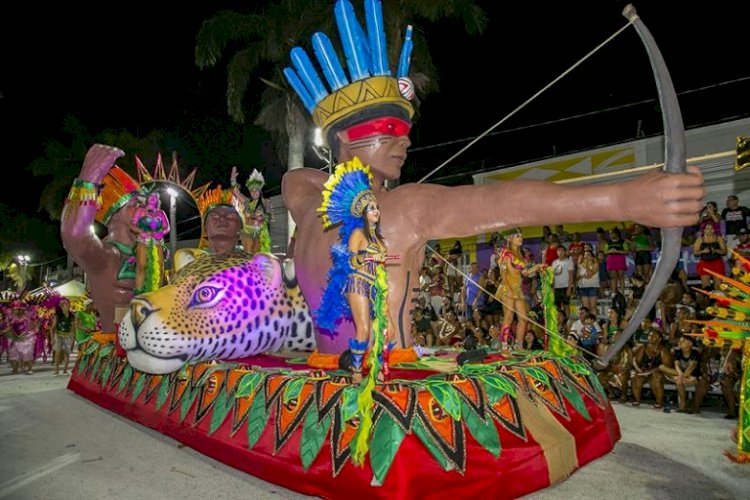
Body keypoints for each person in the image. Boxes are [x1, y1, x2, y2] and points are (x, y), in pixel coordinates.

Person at [280, 0, 705, 356]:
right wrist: (621, 200)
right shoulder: (398, 208)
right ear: (343, 138)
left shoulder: (306, 202)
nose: (405, 141)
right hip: (388, 387)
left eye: (406, 130)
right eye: (389, 128)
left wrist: (348, 167)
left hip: (324, 384)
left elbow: (299, 180)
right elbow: (503, 204)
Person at [316, 161, 398, 383]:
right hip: (358, 283)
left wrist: (385, 259)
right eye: (372, 208)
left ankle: (378, 368)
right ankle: (355, 372)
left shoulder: (378, 239)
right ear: (363, 212)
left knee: (389, 330)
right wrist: (369, 257)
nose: (376, 211)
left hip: (376, 286)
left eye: (377, 208)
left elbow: (380, 261)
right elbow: (349, 260)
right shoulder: (358, 234)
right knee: (363, 330)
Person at [61, 145, 142, 337]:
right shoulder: (106, 256)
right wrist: (89, 179)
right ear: (114, 216)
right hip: (116, 356)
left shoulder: (153, 255)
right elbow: (75, 235)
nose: (146, 210)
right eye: (136, 205)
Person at [495, 228, 545, 351]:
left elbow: (525, 273)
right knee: (509, 317)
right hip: (507, 289)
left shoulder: (519, 255)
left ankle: (518, 345)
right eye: (517, 236)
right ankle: (505, 347)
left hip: (517, 290)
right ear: (510, 238)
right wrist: (509, 290)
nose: (520, 238)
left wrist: (538, 267)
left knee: (523, 318)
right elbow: (503, 273)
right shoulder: (506, 253)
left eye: (521, 236)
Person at [130, 192, 170, 294]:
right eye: (151, 196)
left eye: (155, 197)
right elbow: (132, 226)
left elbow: (167, 227)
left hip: (157, 242)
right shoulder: (140, 211)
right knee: (141, 266)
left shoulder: (161, 213)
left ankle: (158, 294)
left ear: (158, 201)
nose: (153, 198)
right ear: (147, 198)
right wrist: (141, 232)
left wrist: (161, 233)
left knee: (160, 268)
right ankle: (138, 294)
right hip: (143, 241)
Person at [231, 167, 273, 255]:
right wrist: (233, 179)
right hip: (248, 232)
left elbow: (269, 217)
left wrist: (263, 217)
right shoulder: (247, 202)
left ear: (260, 191)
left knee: (257, 256)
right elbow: (236, 192)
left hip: (260, 233)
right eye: (252, 191)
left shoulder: (266, 203)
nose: (254, 192)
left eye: (256, 190)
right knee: (249, 254)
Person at [692, 223, 727, 290]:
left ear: (714, 230)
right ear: (704, 230)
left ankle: (718, 299)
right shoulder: (700, 240)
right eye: (707, 229)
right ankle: (706, 299)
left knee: (718, 286)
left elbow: (724, 251)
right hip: (704, 263)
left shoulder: (719, 238)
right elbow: (695, 253)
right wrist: (703, 251)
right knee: (705, 286)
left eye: (711, 228)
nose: (710, 230)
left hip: (717, 263)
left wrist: (716, 250)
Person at [51, 298, 75, 375]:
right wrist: (52, 338)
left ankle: (65, 370)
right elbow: (52, 328)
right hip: (58, 336)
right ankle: (56, 370)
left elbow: (73, 328)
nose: (65, 306)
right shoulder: (58, 315)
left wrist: (73, 338)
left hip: (68, 336)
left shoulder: (71, 315)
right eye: (63, 305)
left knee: (67, 353)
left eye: (66, 304)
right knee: (58, 353)